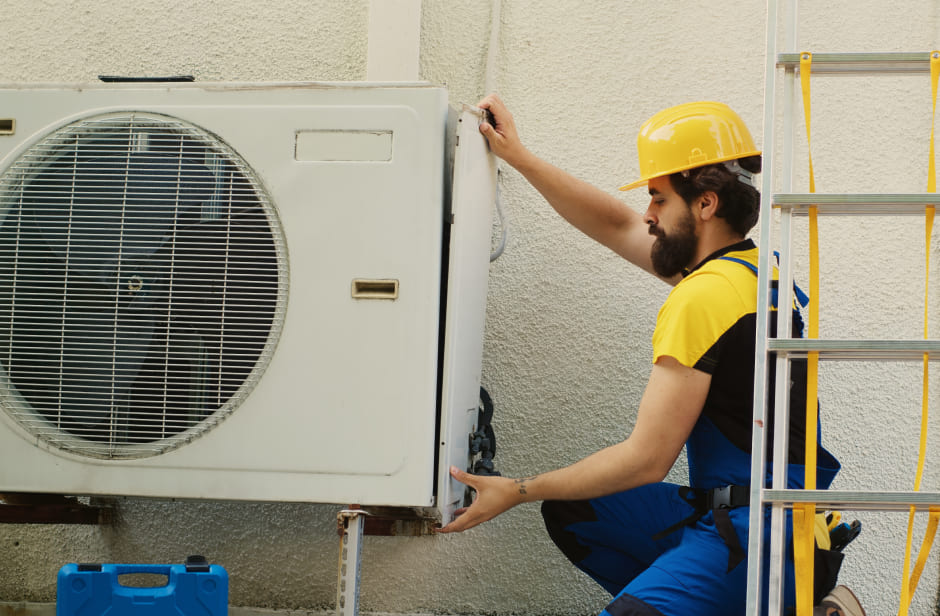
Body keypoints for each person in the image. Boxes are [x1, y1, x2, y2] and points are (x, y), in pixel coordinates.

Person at [438, 95, 861, 616]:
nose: (648, 213)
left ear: (705, 203)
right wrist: (521, 158)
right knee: (576, 509)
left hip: (756, 538)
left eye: (659, 198)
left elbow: (647, 460)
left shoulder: (703, 298)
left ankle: (763, 601)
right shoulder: (754, 272)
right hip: (783, 519)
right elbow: (617, 226)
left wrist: (517, 490)